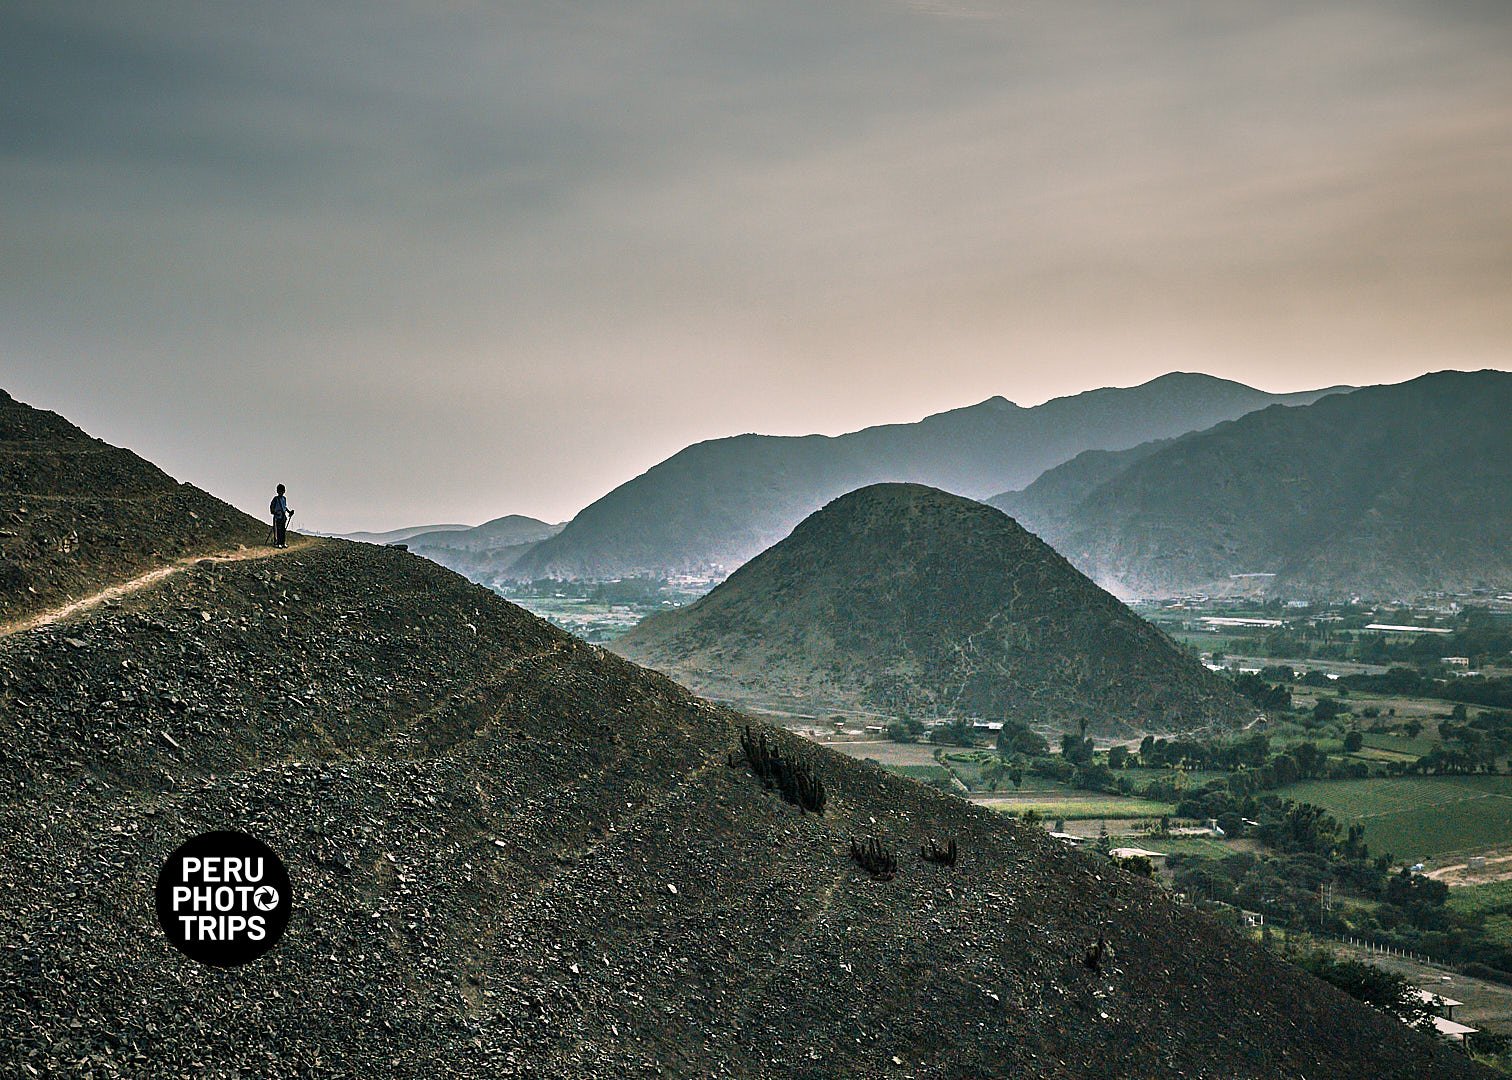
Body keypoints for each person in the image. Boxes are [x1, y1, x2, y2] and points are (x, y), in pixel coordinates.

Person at [269, 484, 293, 548]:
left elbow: (284, 507)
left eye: (282, 491)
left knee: (283, 530)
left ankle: (283, 542)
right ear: (277, 491)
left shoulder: (284, 499)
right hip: (277, 517)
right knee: (277, 530)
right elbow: (271, 507)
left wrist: (289, 512)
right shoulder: (275, 499)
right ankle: (277, 543)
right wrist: (275, 513)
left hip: (283, 517)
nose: (281, 492)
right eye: (280, 491)